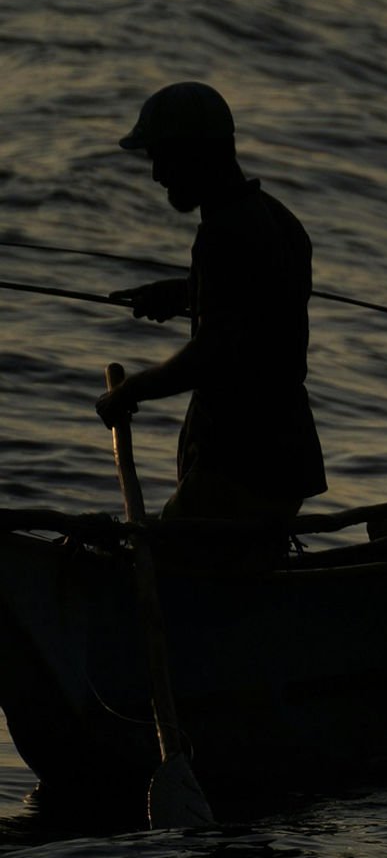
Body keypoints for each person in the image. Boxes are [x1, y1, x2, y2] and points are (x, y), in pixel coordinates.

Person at [95, 82, 326, 528]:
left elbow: (211, 354)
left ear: (196, 153)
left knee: (174, 576)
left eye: (163, 158)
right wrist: (186, 290)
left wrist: (129, 392)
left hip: (240, 465)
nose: (157, 175)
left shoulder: (222, 235)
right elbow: (260, 310)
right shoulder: (278, 219)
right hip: (287, 458)